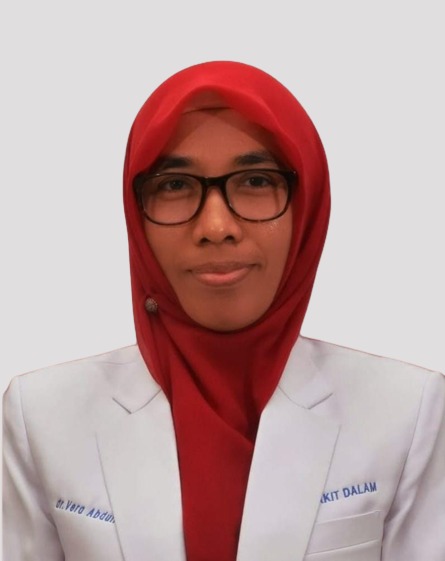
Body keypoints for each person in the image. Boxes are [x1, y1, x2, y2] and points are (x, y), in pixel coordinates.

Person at [3, 61, 444, 561]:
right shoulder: (41, 416)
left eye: (255, 179)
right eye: (174, 185)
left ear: (308, 207)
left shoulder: (407, 411)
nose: (216, 227)